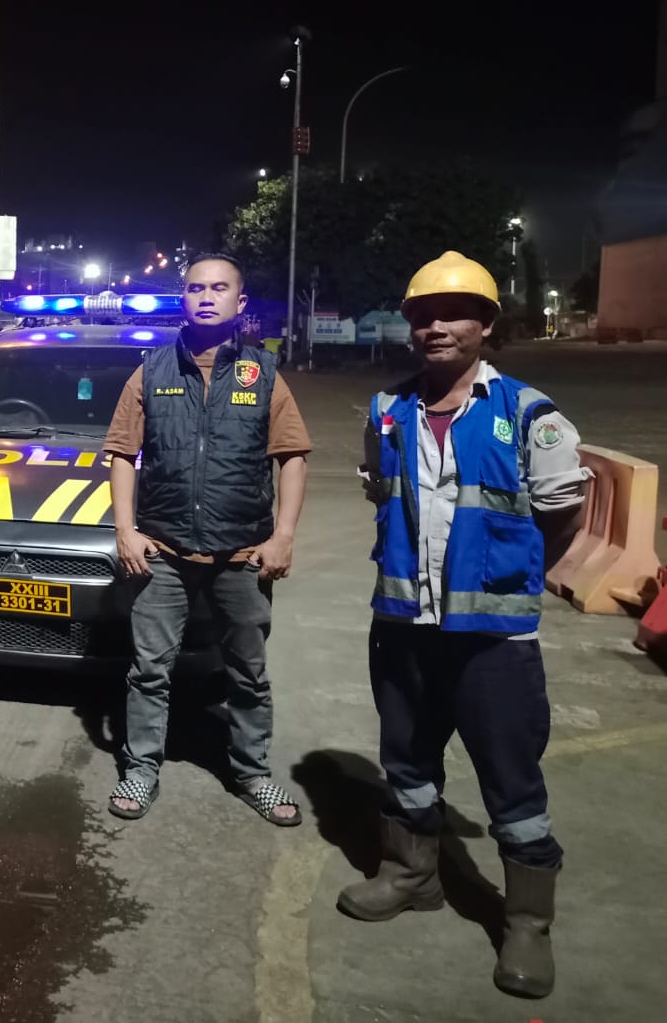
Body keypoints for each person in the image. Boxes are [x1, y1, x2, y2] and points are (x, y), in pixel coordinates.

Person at [339, 250, 586, 999]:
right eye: (422, 316)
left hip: (494, 639)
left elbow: (562, 513)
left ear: (485, 325)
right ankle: (412, 875)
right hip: (403, 626)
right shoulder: (386, 412)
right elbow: (384, 502)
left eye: (454, 314)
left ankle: (527, 924)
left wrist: (506, 579)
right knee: (406, 761)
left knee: (512, 780)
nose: (436, 327)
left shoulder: (528, 414)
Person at [104, 254, 312, 825]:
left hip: (242, 554)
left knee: (248, 673)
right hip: (164, 552)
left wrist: (283, 536)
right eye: (196, 288)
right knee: (149, 670)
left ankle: (252, 774)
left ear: (239, 303)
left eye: (219, 289)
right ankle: (141, 769)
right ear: (183, 298)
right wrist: (126, 530)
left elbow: (292, 456)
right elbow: (121, 453)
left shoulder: (263, 374)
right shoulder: (151, 371)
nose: (206, 297)